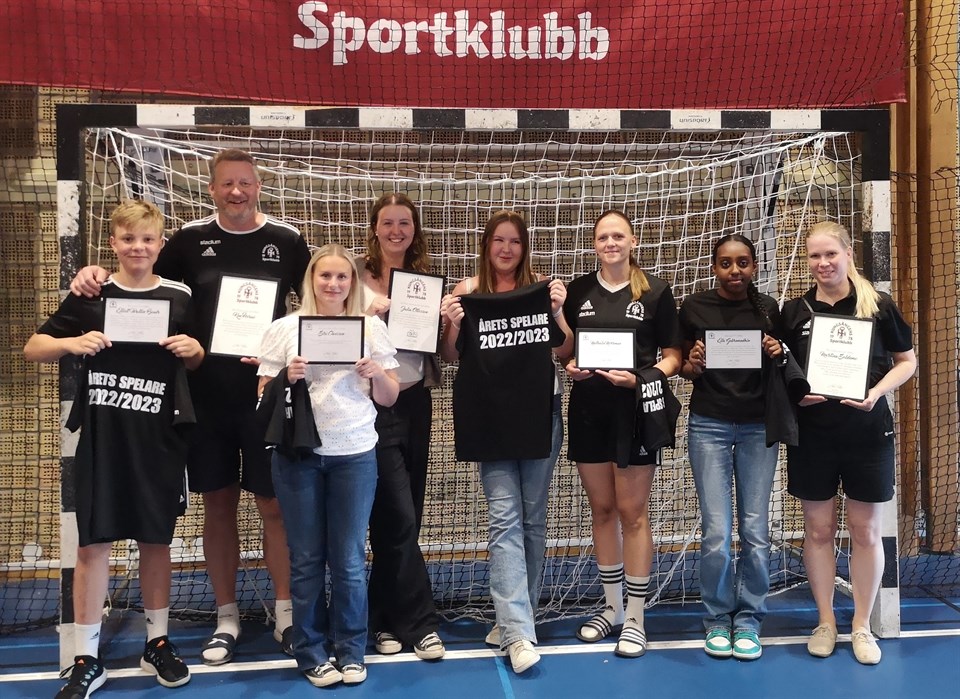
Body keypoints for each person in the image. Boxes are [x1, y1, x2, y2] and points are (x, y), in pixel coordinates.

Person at [69, 149, 312, 665]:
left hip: (265, 395)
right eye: (226, 184)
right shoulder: (188, 239)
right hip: (204, 397)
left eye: (245, 183)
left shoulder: (287, 240)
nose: (236, 192)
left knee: (273, 506)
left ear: (259, 186)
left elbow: (315, 298)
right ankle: (226, 617)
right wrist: (93, 273)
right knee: (218, 504)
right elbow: (140, 276)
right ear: (212, 189)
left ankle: (286, 616)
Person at [27, 201, 204, 697]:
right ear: (113, 243)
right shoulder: (92, 292)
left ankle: (157, 642)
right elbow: (33, 347)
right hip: (104, 436)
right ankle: (86, 656)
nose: (138, 248)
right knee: (93, 544)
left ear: (160, 245)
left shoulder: (179, 296)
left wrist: (194, 352)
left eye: (147, 239)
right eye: (128, 239)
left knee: (156, 540)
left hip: (159, 437)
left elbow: (198, 357)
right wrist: (72, 343)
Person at [257, 244, 400, 687]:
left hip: (354, 454)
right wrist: (287, 377)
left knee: (350, 560)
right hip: (298, 457)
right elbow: (262, 396)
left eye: (342, 277)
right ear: (311, 280)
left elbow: (390, 397)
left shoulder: (370, 329)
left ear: (352, 283)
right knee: (305, 560)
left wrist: (377, 373)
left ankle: (352, 650)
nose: (333, 284)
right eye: (325, 276)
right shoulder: (284, 329)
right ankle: (311, 652)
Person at [440, 210, 571, 674]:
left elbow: (564, 349)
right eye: (499, 240)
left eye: (514, 241)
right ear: (487, 244)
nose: (506, 249)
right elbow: (450, 356)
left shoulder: (540, 289)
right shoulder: (468, 291)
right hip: (490, 418)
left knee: (533, 521)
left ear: (524, 247)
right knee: (504, 521)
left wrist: (557, 311)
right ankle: (518, 632)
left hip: (539, 413)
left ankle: (518, 617)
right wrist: (453, 322)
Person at [781, 222, 915, 665]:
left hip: (867, 434)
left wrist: (875, 393)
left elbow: (907, 362)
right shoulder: (795, 311)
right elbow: (781, 368)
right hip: (813, 436)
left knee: (865, 531)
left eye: (830, 254)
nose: (823, 264)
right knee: (818, 531)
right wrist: (798, 392)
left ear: (848, 254)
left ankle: (861, 625)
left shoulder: (878, 305)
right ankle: (825, 621)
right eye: (814, 256)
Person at [561, 210, 682, 658]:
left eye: (618, 236)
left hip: (634, 412)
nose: (610, 243)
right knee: (602, 510)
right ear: (594, 244)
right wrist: (570, 365)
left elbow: (674, 355)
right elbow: (565, 349)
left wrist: (643, 377)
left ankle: (635, 616)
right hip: (589, 411)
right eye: (602, 237)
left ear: (633, 241)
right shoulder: (578, 291)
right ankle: (611, 607)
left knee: (632, 513)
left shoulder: (655, 291)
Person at [678, 234, 785, 661]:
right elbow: (684, 366)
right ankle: (718, 618)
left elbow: (783, 365)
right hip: (709, 425)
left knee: (755, 531)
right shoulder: (694, 307)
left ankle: (750, 619)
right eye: (726, 263)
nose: (734, 270)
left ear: (754, 267)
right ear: (715, 267)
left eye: (742, 262)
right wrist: (693, 363)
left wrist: (776, 350)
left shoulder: (769, 309)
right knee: (717, 532)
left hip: (758, 427)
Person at [360, 193, 445, 660]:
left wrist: (447, 320)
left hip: (415, 402)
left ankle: (384, 620)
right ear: (375, 227)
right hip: (369, 405)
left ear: (415, 230)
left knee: (406, 511)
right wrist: (364, 312)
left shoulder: (423, 280)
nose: (396, 231)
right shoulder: (353, 274)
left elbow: (440, 350)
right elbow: (327, 323)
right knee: (395, 514)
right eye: (388, 222)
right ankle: (420, 622)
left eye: (405, 224)